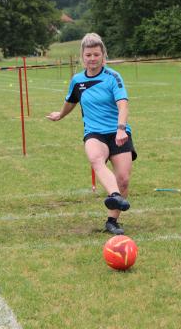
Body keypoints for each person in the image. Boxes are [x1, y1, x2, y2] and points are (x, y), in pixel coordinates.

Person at [47, 33, 137, 235]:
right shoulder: (77, 80)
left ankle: (112, 221)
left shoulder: (113, 77)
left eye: (96, 54)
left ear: (103, 55)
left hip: (118, 132)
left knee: (123, 179)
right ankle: (114, 195)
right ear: (82, 56)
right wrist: (60, 115)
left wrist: (121, 129)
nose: (92, 58)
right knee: (96, 158)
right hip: (94, 133)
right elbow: (71, 101)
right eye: (88, 55)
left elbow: (123, 105)